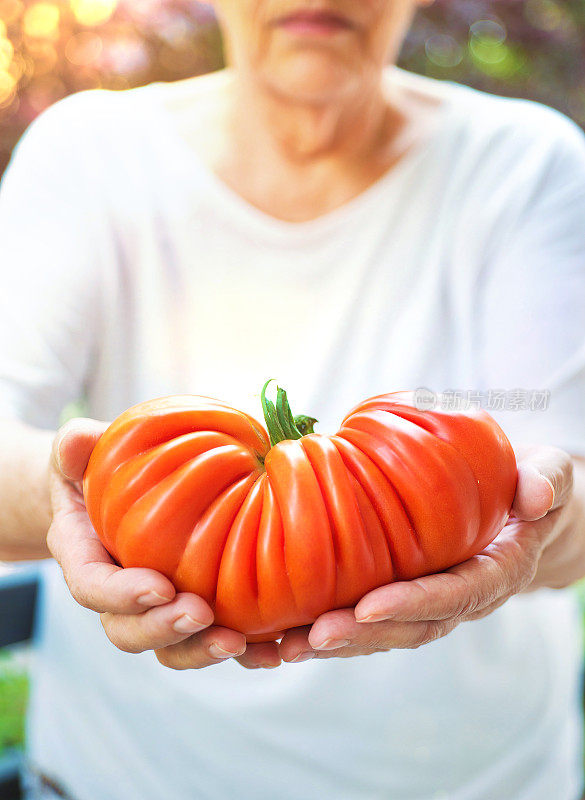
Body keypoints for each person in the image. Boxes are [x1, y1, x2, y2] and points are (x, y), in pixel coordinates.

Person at [1, 1, 585, 798]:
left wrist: (537, 523)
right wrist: (72, 495)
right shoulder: (87, 154)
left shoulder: (529, 162)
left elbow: (566, 485)